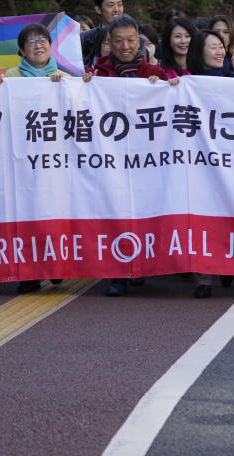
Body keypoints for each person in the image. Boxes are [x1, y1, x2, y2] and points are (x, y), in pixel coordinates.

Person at [93, 16, 177, 297]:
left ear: (140, 41)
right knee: (115, 214)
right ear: (109, 43)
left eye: (131, 40)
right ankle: (119, 275)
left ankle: (141, 266)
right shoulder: (98, 74)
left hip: (147, 158)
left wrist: (161, 86)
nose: (125, 46)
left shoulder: (154, 72)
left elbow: (173, 99)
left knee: (144, 213)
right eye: (118, 41)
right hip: (111, 160)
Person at [0, 23, 79, 293]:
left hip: (54, 160)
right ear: (22, 50)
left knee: (54, 211)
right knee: (26, 214)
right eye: (32, 42)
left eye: (43, 40)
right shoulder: (9, 77)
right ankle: (29, 273)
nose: (39, 45)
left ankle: (55, 265)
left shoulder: (64, 76)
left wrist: (78, 84)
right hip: (21, 161)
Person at [186, 30, 234, 297]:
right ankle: (203, 278)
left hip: (233, 164)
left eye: (221, 46)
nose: (220, 51)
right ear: (199, 52)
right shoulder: (187, 84)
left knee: (231, 215)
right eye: (213, 47)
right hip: (199, 166)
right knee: (202, 219)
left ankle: (230, 267)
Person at [80, 0, 124, 68]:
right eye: (110, 5)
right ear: (98, 9)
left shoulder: (136, 40)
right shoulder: (85, 38)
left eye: (119, 5)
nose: (116, 10)